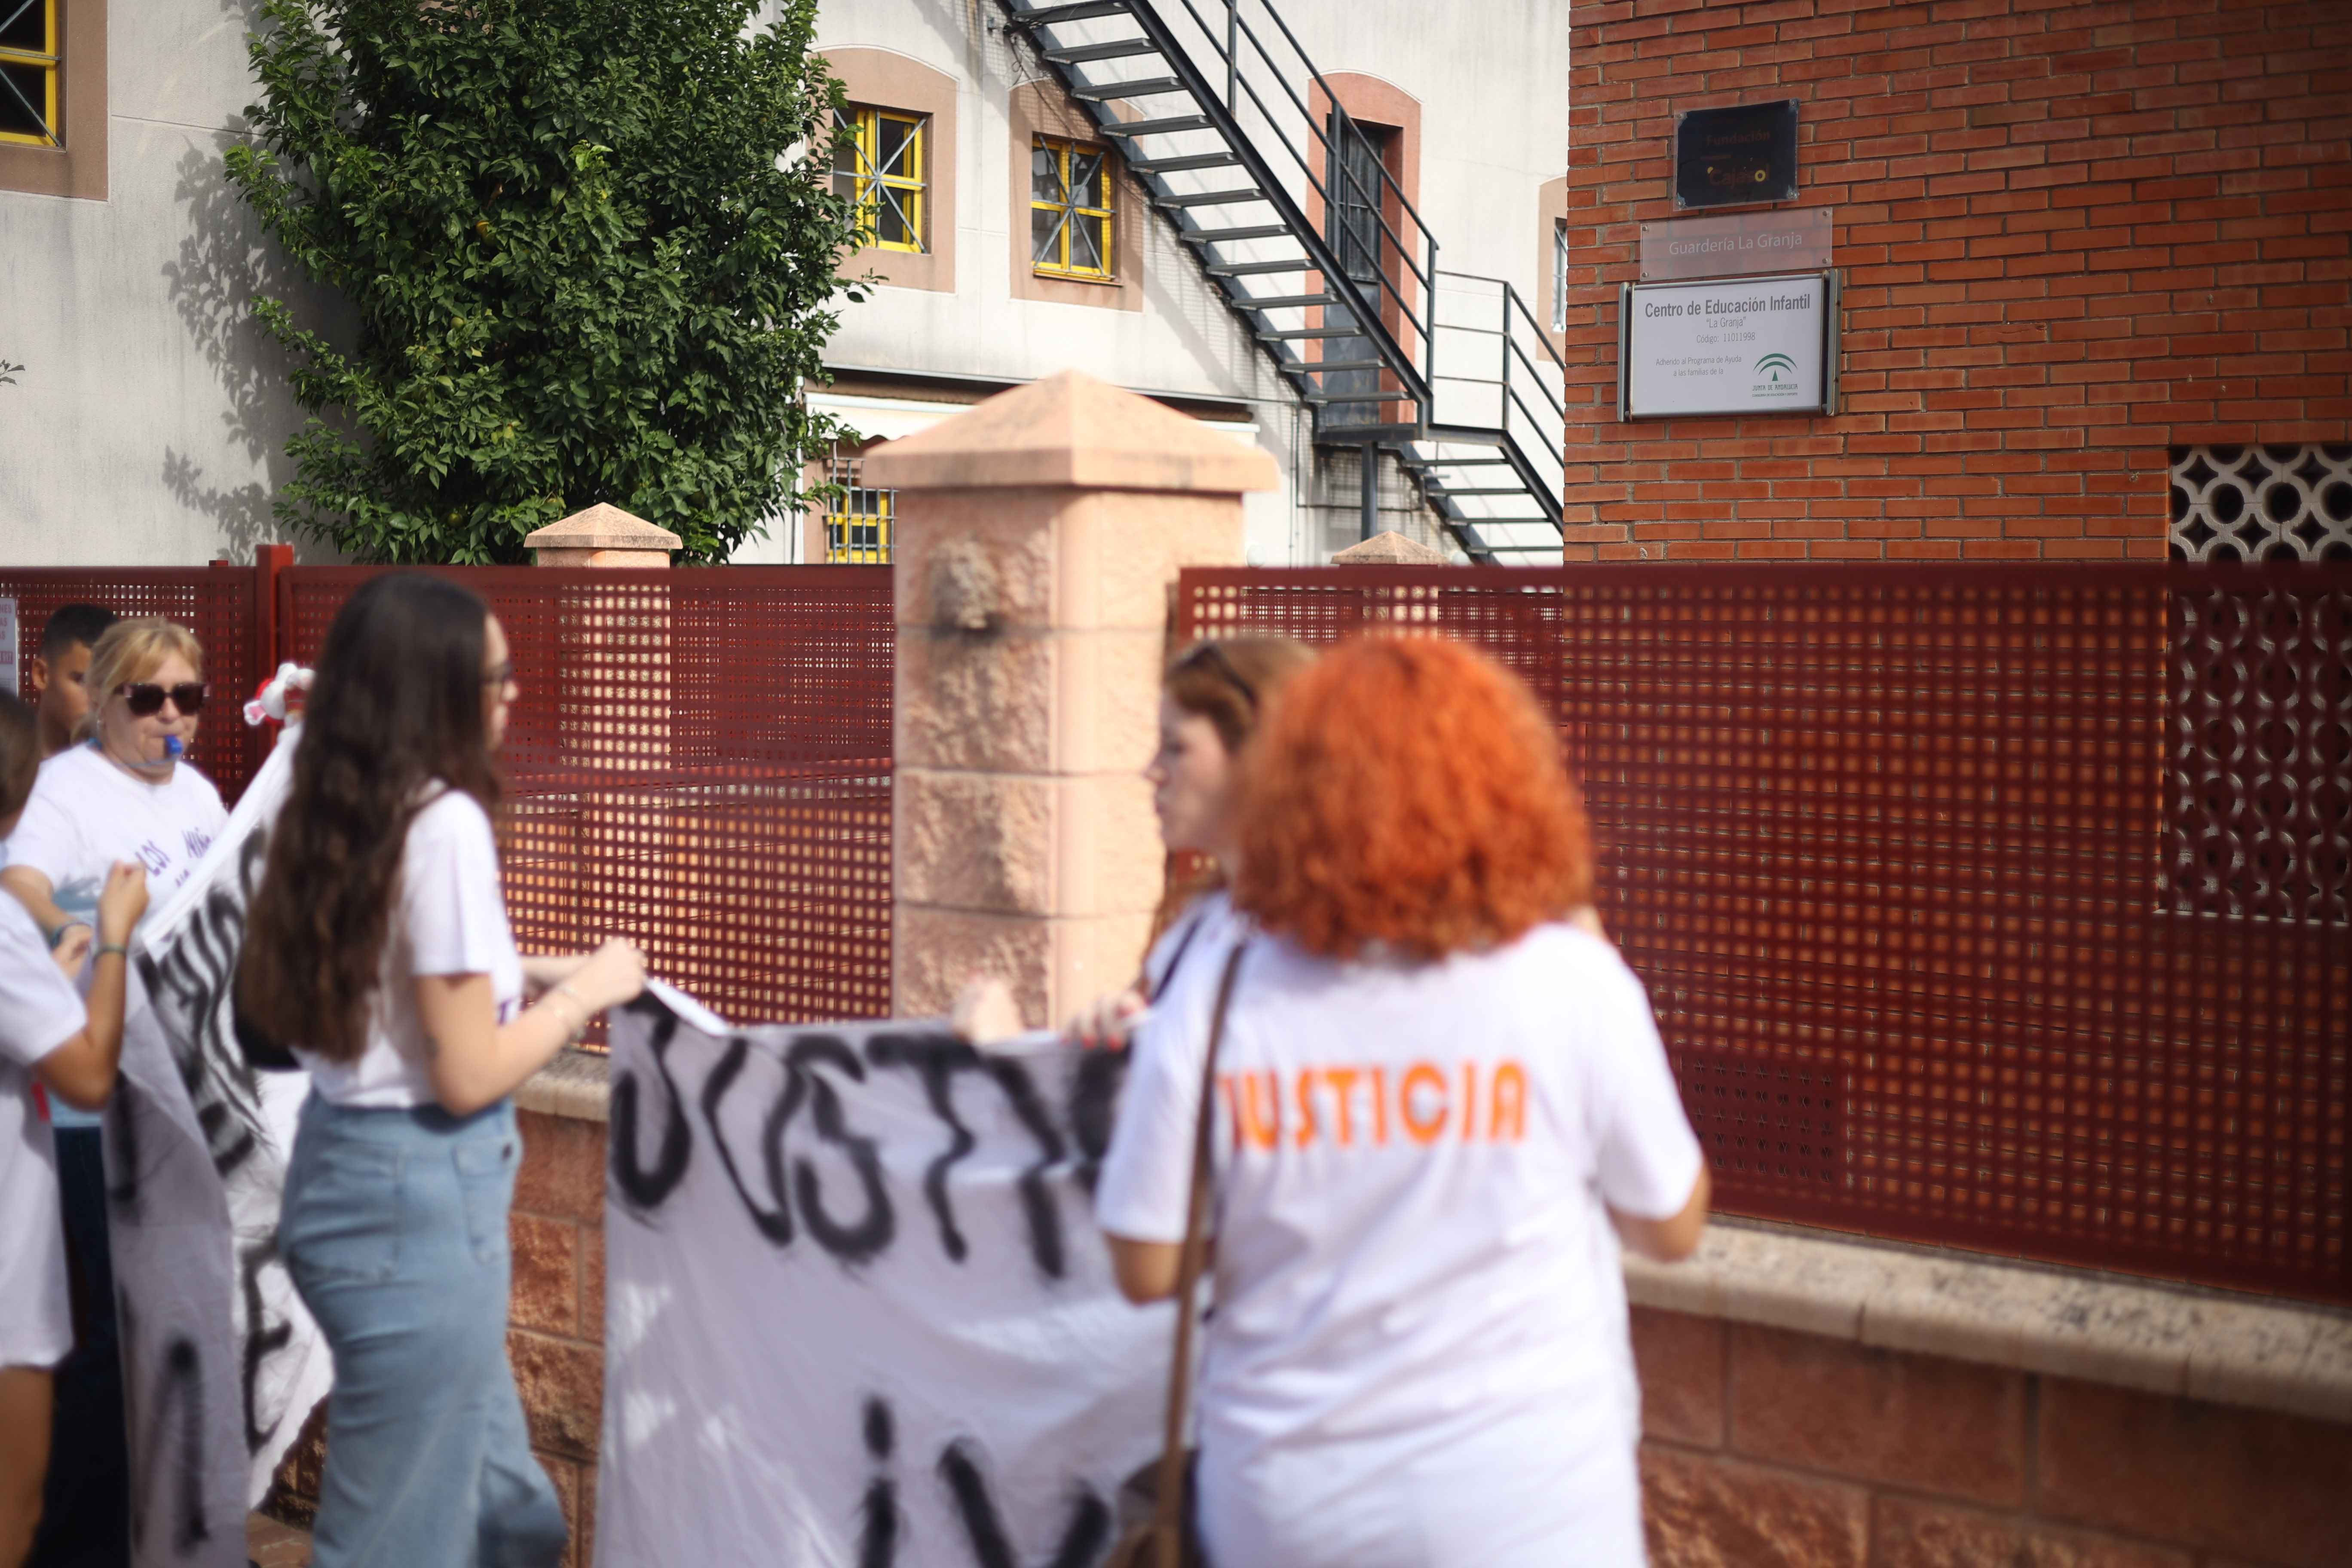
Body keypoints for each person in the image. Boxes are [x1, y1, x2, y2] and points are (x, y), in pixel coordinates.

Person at [1094, 634, 1711, 1568]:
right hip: (1535, 1503)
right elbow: (1669, 1226)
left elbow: (1146, 1265)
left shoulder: (1220, 988)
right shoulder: (1573, 980)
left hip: (1291, 1505)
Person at [238, 573, 647, 1567]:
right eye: (494, 677)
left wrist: (541, 966)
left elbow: (402, 984)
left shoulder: (336, 810)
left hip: (347, 1182)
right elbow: (466, 1071)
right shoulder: (446, 825)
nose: (511, 695)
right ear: (435, 691)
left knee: (513, 1521)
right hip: (412, 1212)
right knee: (396, 1539)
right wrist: (584, 995)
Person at [2, 615, 217, 1568]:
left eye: (190, 699)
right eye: (150, 697)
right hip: (88, 1098)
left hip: (181, 1107)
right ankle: (81, 1540)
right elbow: (20, 879)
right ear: (112, 701)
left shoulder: (205, 797)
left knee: (159, 1326)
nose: (172, 717)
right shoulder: (69, 786)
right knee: (91, 1336)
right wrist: (77, 927)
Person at [0, 694, 147, 1568]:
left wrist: (47, 972)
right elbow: (89, 1069)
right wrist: (116, 944)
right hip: (8, 1275)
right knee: (15, 1511)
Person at [26, 605, 119, 762]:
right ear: (41, 675)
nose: (98, 699)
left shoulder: (129, 772)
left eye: (109, 684)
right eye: (82, 681)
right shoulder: (9, 769)